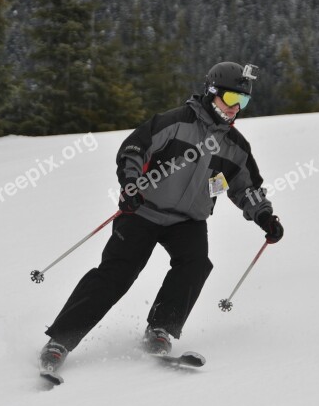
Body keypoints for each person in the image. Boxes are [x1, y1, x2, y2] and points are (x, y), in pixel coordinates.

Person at [39, 62, 284, 373]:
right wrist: (130, 185)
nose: (237, 108)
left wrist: (264, 216)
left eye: (244, 102)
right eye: (232, 99)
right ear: (212, 93)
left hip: (188, 220)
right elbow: (133, 149)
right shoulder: (174, 123)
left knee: (195, 263)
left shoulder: (235, 147)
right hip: (143, 211)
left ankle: (160, 330)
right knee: (116, 274)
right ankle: (59, 341)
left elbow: (246, 186)